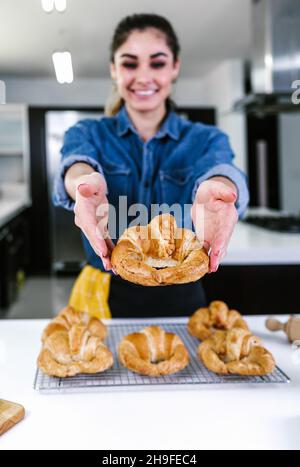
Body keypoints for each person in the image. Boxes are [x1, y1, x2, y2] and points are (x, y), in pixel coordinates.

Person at [53, 13, 249, 319]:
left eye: (157, 63)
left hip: (182, 295)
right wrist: (83, 185)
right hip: (103, 291)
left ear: (174, 68)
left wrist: (221, 190)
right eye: (130, 63)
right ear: (114, 70)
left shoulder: (205, 139)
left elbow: (221, 170)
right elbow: (75, 165)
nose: (143, 77)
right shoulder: (87, 133)